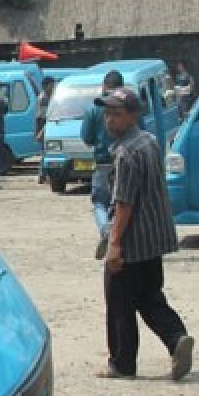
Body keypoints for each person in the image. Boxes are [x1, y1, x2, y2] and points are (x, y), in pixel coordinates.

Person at [96, 86, 194, 381]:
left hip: (133, 241)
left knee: (119, 302)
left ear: (133, 116)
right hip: (156, 237)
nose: (109, 120)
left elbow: (124, 203)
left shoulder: (126, 153)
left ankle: (122, 363)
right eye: (107, 114)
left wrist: (114, 245)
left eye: (117, 114)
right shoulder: (149, 141)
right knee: (149, 295)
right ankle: (176, 338)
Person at [82, 70, 124, 259]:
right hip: (124, 163)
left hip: (102, 164)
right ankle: (117, 236)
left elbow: (87, 138)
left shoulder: (93, 109)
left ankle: (106, 230)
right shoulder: (128, 106)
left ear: (104, 86)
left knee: (99, 202)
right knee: (122, 201)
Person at [35, 77, 56, 183]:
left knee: (46, 151)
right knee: (45, 152)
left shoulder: (49, 97)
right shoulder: (43, 98)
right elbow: (42, 117)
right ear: (46, 86)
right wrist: (40, 131)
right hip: (44, 126)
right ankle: (41, 175)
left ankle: (44, 174)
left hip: (46, 126)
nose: (53, 87)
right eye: (52, 85)